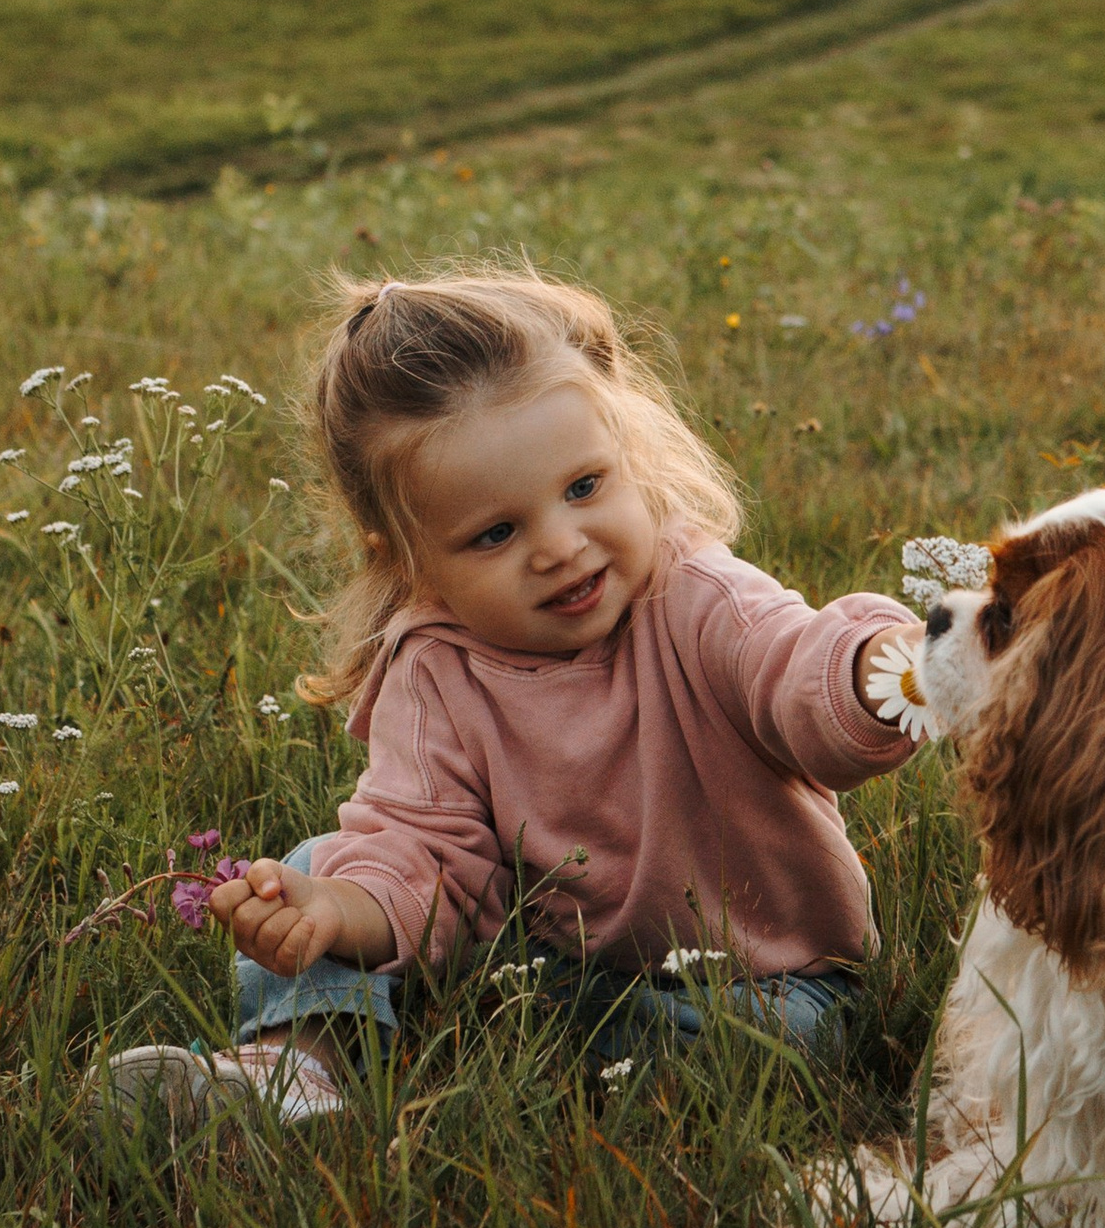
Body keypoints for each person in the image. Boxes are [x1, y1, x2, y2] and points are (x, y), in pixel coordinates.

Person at [96, 266, 921, 1125]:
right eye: (496, 532)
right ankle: (295, 1066)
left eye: (585, 487)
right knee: (310, 872)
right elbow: (424, 847)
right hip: (542, 957)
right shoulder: (433, 665)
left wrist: (873, 670)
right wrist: (341, 911)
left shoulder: (696, 595)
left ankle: (521, 1041)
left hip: (755, 974)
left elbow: (791, 668)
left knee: (774, 1043)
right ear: (409, 562)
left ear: (627, 455)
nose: (561, 545)